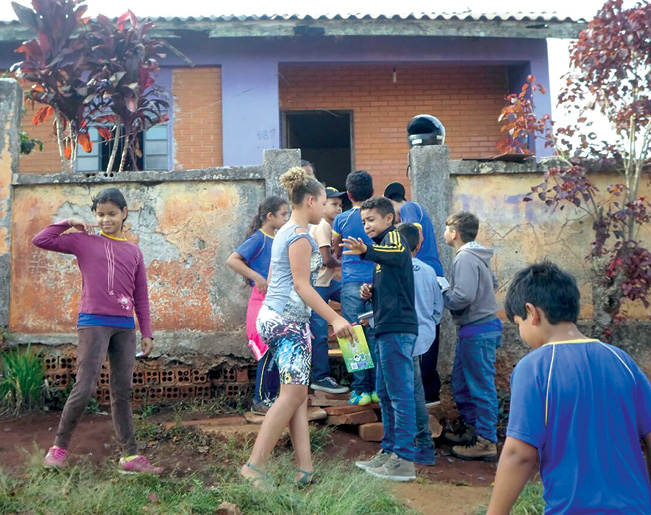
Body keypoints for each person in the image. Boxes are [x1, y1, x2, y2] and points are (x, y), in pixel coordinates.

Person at [487, 262, 651, 514]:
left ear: (532, 312)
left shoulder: (534, 368)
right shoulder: (622, 361)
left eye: (519, 323)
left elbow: (519, 454)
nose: (521, 333)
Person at [33, 187, 162, 474]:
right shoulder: (83, 241)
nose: (106, 219)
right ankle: (58, 449)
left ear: (124, 213)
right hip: (93, 323)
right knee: (85, 386)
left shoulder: (134, 252)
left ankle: (130, 456)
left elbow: (141, 296)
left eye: (112, 214)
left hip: (125, 327)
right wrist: (68, 222)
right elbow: (41, 239)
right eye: (100, 214)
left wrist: (146, 332)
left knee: (122, 391)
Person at [240, 167, 355, 488]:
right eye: (324, 202)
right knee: (292, 395)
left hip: (277, 318)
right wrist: (334, 318)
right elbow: (304, 286)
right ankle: (253, 466)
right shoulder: (301, 236)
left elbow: (284, 281)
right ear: (310, 201)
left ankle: (305, 468)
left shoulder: (285, 231)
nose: (326, 207)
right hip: (287, 322)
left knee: (297, 395)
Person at [343, 197, 418, 482]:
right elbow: (393, 280)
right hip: (384, 328)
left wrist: (366, 251)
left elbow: (397, 255)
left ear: (389, 218)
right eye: (364, 221)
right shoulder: (381, 251)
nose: (366, 226)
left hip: (398, 328)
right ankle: (389, 452)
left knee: (399, 395)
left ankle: (404, 459)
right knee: (385, 394)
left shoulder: (394, 238)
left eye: (371, 220)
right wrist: (371, 292)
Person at [443, 211, 502, 462]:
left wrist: (445, 293)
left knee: (480, 386)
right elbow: (494, 283)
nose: (444, 233)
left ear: (454, 233)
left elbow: (463, 296)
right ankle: (472, 431)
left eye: (446, 229)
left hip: (477, 329)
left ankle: (486, 441)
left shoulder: (464, 257)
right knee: (461, 383)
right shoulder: (478, 255)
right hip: (478, 328)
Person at [226, 196, 289, 414]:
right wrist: (257, 277)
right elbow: (232, 259)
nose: (286, 218)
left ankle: (270, 399)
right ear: (270, 216)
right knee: (267, 350)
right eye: (283, 214)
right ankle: (260, 400)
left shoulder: (278, 238)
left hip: (275, 301)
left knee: (275, 351)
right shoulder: (259, 239)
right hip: (261, 301)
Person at [384, 181, 443, 406]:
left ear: (391, 200)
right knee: (428, 326)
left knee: (424, 330)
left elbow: (415, 235)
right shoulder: (417, 208)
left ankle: (427, 391)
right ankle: (428, 391)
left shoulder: (409, 208)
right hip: (428, 271)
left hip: (422, 270)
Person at [332, 170, 377, 406]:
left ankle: (361, 390)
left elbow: (335, 249)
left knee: (353, 334)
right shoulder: (379, 218)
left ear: (348, 194)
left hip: (351, 282)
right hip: (377, 281)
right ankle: (378, 388)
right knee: (375, 333)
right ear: (372, 192)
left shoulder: (342, 219)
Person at [308, 186, 349, 394]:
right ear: (322, 207)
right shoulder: (322, 225)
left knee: (352, 297)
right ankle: (320, 377)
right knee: (320, 333)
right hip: (317, 286)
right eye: (333, 204)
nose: (339, 208)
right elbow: (327, 260)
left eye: (340, 205)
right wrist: (346, 263)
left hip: (327, 283)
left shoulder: (331, 227)